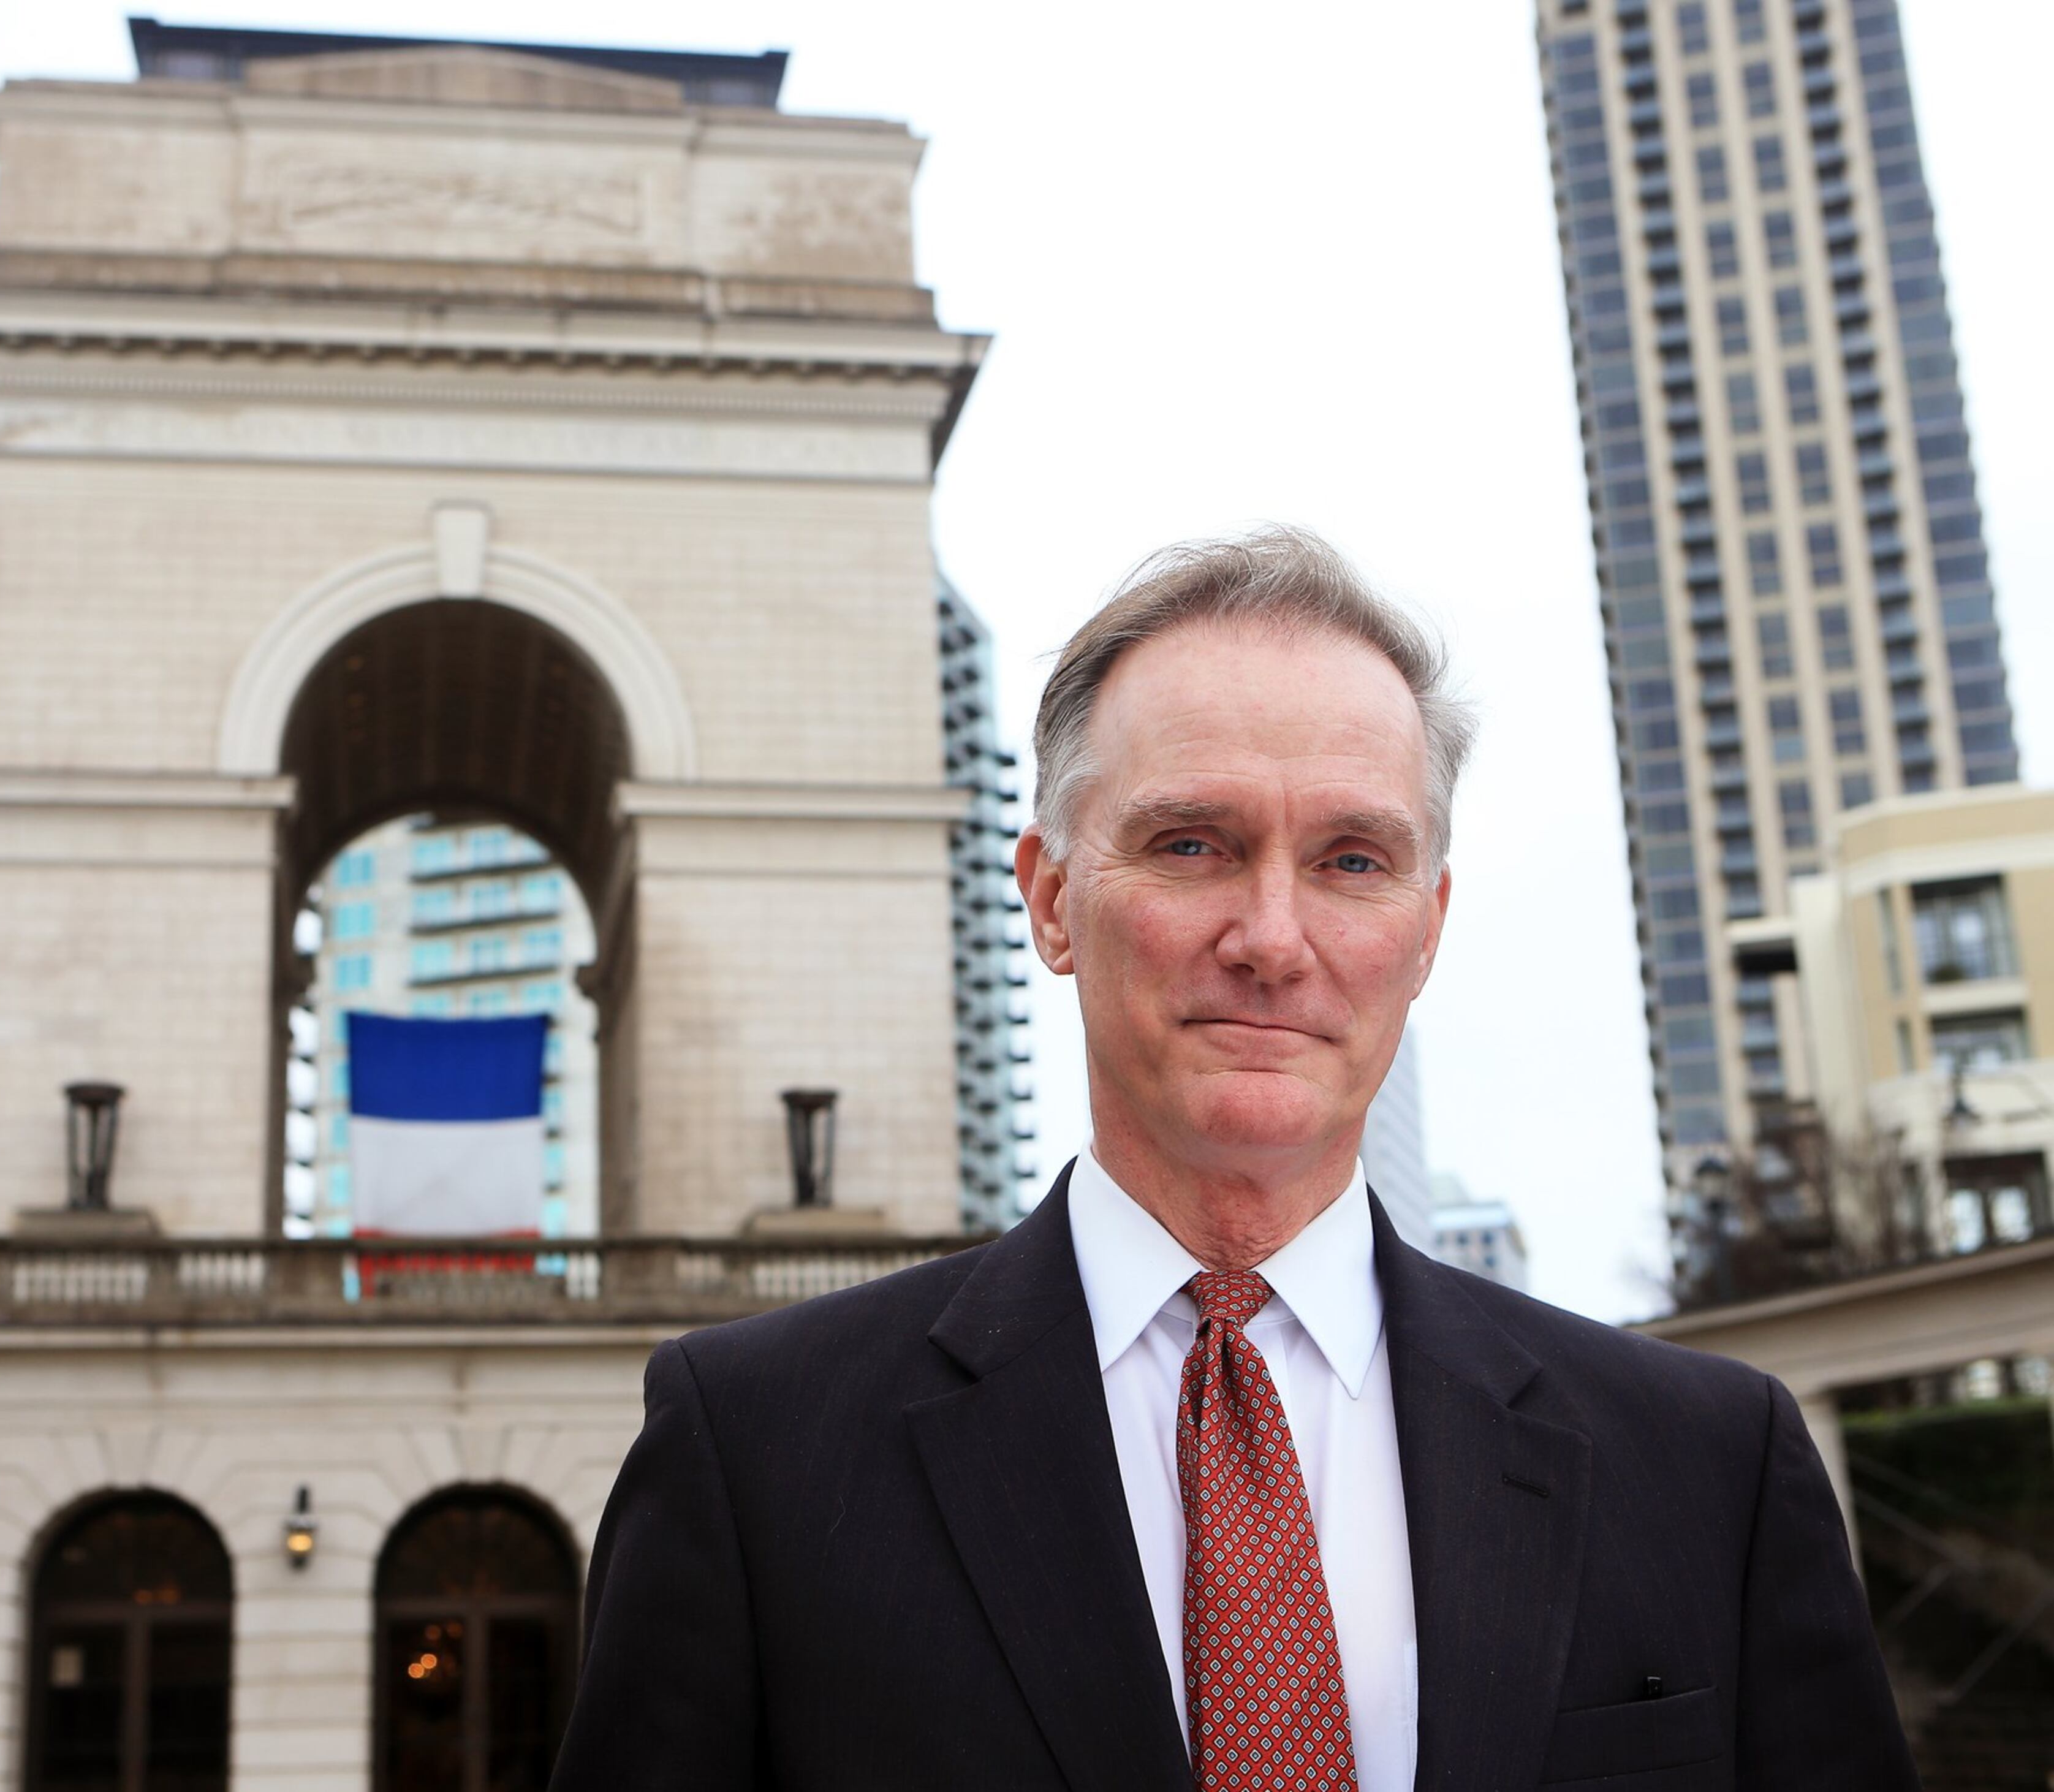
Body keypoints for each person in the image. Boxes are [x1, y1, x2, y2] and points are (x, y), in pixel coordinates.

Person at [548, 526, 1917, 1790]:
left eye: (1352, 860)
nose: (1271, 936)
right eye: (1193, 843)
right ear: (1050, 896)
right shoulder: (757, 1455)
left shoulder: (1709, 1469)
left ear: (1428, 926)